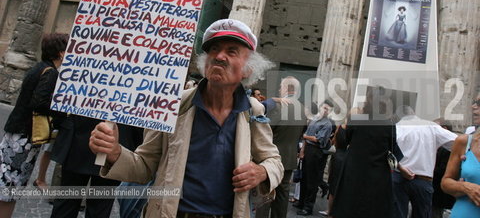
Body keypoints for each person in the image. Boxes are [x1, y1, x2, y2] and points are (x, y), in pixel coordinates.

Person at [89, 19, 284, 218]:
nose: (219, 56)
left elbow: (274, 161)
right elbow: (144, 167)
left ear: (248, 69)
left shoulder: (253, 111)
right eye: (213, 49)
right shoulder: (173, 105)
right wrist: (114, 152)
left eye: (231, 51)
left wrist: (262, 172)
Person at [0, 33, 68, 218]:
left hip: (16, 132)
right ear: (61, 53)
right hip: (25, 136)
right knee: (11, 186)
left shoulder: (39, 67)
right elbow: (39, 102)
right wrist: (61, 111)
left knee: (7, 183)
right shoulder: (51, 73)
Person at [331, 86, 401, 218]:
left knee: (349, 208)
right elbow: (393, 148)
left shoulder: (357, 119)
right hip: (377, 175)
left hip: (354, 172)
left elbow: (346, 140)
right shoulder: (389, 124)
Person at [256, 76, 307, 218]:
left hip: (271, 158)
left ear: (286, 88)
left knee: (265, 194)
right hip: (289, 160)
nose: (279, 90)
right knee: (283, 197)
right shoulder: (303, 109)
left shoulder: (278, 106)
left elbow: (265, 132)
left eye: (281, 87)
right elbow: (301, 134)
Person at [393, 105, 457, 218]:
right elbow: (455, 141)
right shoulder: (430, 126)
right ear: (413, 112)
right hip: (423, 178)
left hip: (399, 176)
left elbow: (387, 153)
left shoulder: (396, 128)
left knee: (397, 214)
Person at [441, 94, 480, 217]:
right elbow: (445, 182)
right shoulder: (464, 142)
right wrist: (464, 186)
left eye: (479, 103)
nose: (473, 106)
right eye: (475, 101)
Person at [295, 100, 333, 216]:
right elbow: (307, 137)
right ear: (320, 107)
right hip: (307, 150)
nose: (325, 110)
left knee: (312, 181)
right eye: (324, 107)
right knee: (304, 178)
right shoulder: (315, 120)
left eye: (328, 109)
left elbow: (319, 139)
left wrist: (306, 136)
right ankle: (301, 202)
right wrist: (302, 151)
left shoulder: (327, 124)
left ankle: (308, 207)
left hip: (317, 152)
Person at [431, 119, 455, 218]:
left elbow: (444, 170)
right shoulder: (440, 147)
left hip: (441, 194)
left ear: (444, 129)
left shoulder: (449, 148)